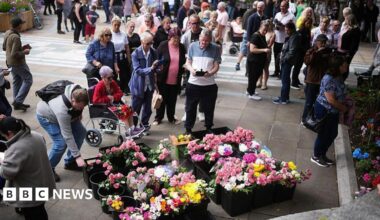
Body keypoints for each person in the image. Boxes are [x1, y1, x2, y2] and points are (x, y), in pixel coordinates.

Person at [0, 117, 56, 220]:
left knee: (34, 214)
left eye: (4, 136)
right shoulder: (36, 135)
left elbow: (6, 173)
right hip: (42, 182)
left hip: (30, 191)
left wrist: (3, 162)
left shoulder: (17, 148)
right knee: (40, 209)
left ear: (9, 132)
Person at [36, 83, 89, 182]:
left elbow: (79, 106)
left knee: (81, 132)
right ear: (73, 100)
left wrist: (78, 112)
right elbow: (67, 135)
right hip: (47, 117)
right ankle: (48, 169)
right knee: (61, 143)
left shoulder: (78, 91)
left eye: (83, 107)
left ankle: (70, 162)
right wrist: (78, 156)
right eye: (79, 107)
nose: (81, 109)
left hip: (69, 114)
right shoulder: (62, 110)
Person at [311, 53, 348, 167]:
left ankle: (322, 154)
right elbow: (331, 100)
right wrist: (344, 108)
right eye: (344, 64)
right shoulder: (329, 79)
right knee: (324, 134)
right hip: (325, 110)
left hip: (333, 111)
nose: (346, 65)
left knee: (332, 134)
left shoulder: (338, 76)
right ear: (338, 66)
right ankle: (316, 156)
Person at [184, 29, 221, 134]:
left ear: (210, 40)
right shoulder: (192, 46)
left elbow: (216, 65)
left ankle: (209, 127)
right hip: (193, 84)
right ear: (199, 37)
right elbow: (188, 62)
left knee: (209, 108)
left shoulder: (215, 48)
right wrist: (191, 70)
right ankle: (188, 128)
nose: (204, 43)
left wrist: (210, 73)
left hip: (209, 84)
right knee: (190, 108)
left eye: (206, 41)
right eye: (202, 40)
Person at [93, 66, 145, 136]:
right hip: (105, 107)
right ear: (103, 77)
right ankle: (128, 131)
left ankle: (132, 128)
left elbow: (120, 93)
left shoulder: (112, 82)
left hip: (113, 104)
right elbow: (95, 100)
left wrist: (113, 97)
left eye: (112, 76)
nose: (111, 79)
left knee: (129, 108)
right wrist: (107, 98)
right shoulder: (99, 86)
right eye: (109, 78)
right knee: (124, 110)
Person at [154, 28, 186, 125]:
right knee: (161, 99)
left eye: (178, 38)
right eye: (174, 39)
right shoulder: (163, 45)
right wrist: (155, 72)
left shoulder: (182, 47)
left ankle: (171, 117)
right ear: (169, 38)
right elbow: (156, 59)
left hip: (175, 79)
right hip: (162, 78)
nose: (176, 41)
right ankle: (158, 118)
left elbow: (183, 61)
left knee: (172, 100)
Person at [129, 32, 159, 133]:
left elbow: (156, 69)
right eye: (147, 43)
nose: (150, 45)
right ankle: (133, 128)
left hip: (149, 85)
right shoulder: (135, 53)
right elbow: (137, 70)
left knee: (147, 108)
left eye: (151, 43)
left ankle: (144, 126)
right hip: (138, 85)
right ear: (142, 42)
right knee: (135, 109)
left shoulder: (153, 52)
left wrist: (158, 68)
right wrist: (151, 68)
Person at [2, 17, 33, 111]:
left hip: (9, 62)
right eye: (21, 24)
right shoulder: (15, 37)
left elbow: (4, 48)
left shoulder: (8, 33)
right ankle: (18, 101)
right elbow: (14, 54)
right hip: (17, 63)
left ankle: (17, 102)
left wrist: (20, 48)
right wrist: (25, 51)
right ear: (18, 25)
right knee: (28, 79)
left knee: (17, 80)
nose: (22, 25)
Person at [302, 34, 331, 123]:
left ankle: (314, 118)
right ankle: (305, 119)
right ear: (317, 42)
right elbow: (308, 62)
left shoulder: (328, 52)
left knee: (319, 102)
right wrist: (317, 52)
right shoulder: (312, 51)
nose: (323, 44)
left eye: (324, 42)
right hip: (312, 80)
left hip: (322, 81)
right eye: (321, 42)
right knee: (309, 102)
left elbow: (330, 64)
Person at [273, 22, 301, 104]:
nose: (286, 32)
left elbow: (292, 51)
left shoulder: (294, 37)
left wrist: (283, 59)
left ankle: (283, 99)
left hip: (287, 61)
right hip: (287, 60)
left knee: (285, 80)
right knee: (285, 80)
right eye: (285, 30)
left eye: (287, 30)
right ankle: (284, 96)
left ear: (292, 29)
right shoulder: (293, 36)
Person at [237, 1, 266, 71]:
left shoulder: (265, 17)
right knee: (249, 55)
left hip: (260, 39)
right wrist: (249, 40)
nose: (259, 9)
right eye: (258, 7)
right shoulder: (252, 16)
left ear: (263, 8)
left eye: (260, 7)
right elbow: (249, 30)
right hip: (252, 38)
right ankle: (248, 70)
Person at [246, 21, 271, 101]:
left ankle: (250, 90)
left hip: (259, 61)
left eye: (266, 30)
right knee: (253, 77)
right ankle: (251, 93)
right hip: (254, 61)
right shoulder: (256, 36)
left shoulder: (262, 35)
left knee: (255, 77)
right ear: (260, 27)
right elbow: (252, 49)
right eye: (264, 29)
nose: (265, 32)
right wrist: (264, 50)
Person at [271, 1, 296, 78]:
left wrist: (283, 27)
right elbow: (273, 24)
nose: (282, 8)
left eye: (284, 6)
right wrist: (275, 27)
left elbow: (293, 28)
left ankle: (282, 73)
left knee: (283, 57)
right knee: (276, 56)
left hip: (285, 40)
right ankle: (276, 71)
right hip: (276, 39)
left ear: (288, 7)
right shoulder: (277, 14)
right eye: (281, 6)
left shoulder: (291, 16)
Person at [235, 1, 258, 71]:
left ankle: (238, 64)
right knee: (248, 51)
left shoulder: (248, 12)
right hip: (249, 33)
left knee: (243, 49)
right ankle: (247, 68)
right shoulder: (253, 13)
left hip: (246, 32)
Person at [111, 17, 131, 94]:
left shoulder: (123, 34)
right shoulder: (109, 34)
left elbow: (127, 47)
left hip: (122, 57)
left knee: (124, 75)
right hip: (113, 57)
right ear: (112, 24)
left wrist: (129, 59)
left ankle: (124, 89)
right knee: (114, 75)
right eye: (115, 25)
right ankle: (114, 90)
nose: (117, 27)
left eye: (118, 25)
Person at [291, 16, 312, 89]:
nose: (309, 24)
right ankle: (293, 82)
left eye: (310, 23)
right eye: (307, 23)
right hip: (299, 52)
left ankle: (296, 80)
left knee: (299, 66)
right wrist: (305, 49)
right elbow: (299, 43)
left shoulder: (307, 30)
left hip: (304, 52)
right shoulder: (301, 31)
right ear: (304, 23)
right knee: (296, 67)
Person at [338, 14, 361, 79]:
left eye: (346, 20)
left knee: (345, 65)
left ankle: (343, 79)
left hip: (347, 52)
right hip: (340, 50)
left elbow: (354, 43)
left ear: (350, 21)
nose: (345, 21)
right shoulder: (347, 27)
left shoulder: (355, 30)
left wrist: (349, 53)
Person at [258, 20, 275, 90]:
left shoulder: (273, 34)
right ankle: (259, 81)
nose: (267, 26)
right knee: (259, 68)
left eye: (268, 25)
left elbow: (270, 45)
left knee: (265, 68)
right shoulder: (260, 32)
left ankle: (264, 83)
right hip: (260, 51)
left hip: (267, 52)